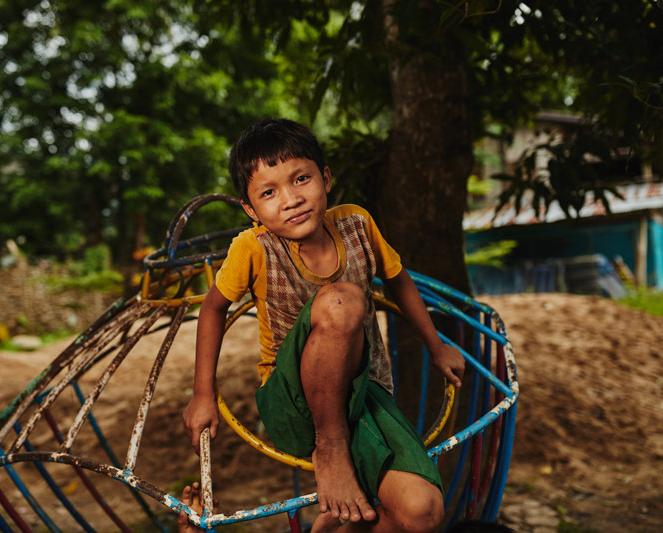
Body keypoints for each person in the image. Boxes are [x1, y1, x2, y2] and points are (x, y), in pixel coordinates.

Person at [181, 118, 465, 532]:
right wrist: (202, 393)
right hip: (294, 403)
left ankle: (338, 528)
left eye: (301, 179)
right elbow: (212, 309)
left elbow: (399, 280)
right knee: (340, 298)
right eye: (269, 192)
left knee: (423, 513)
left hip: (363, 396)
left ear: (326, 178)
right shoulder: (253, 247)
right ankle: (330, 450)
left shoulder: (357, 225)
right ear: (250, 209)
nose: (291, 199)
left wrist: (436, 346)